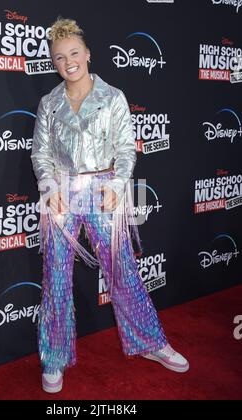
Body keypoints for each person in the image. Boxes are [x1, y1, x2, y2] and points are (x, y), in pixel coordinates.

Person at [31, 17, 189, 393]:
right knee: (54, 277)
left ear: (87, 54)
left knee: (123, 271)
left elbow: (124, 149)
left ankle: (150, 342)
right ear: (53, 63)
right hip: (61, 195)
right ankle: (53, 358)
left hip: (105, 191)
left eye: (73, 53)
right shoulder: (49, 103)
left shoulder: (112, 97)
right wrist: (48, 185)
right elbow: (41, 153)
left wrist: (119, 184)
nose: (68, 62)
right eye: (59, 57)